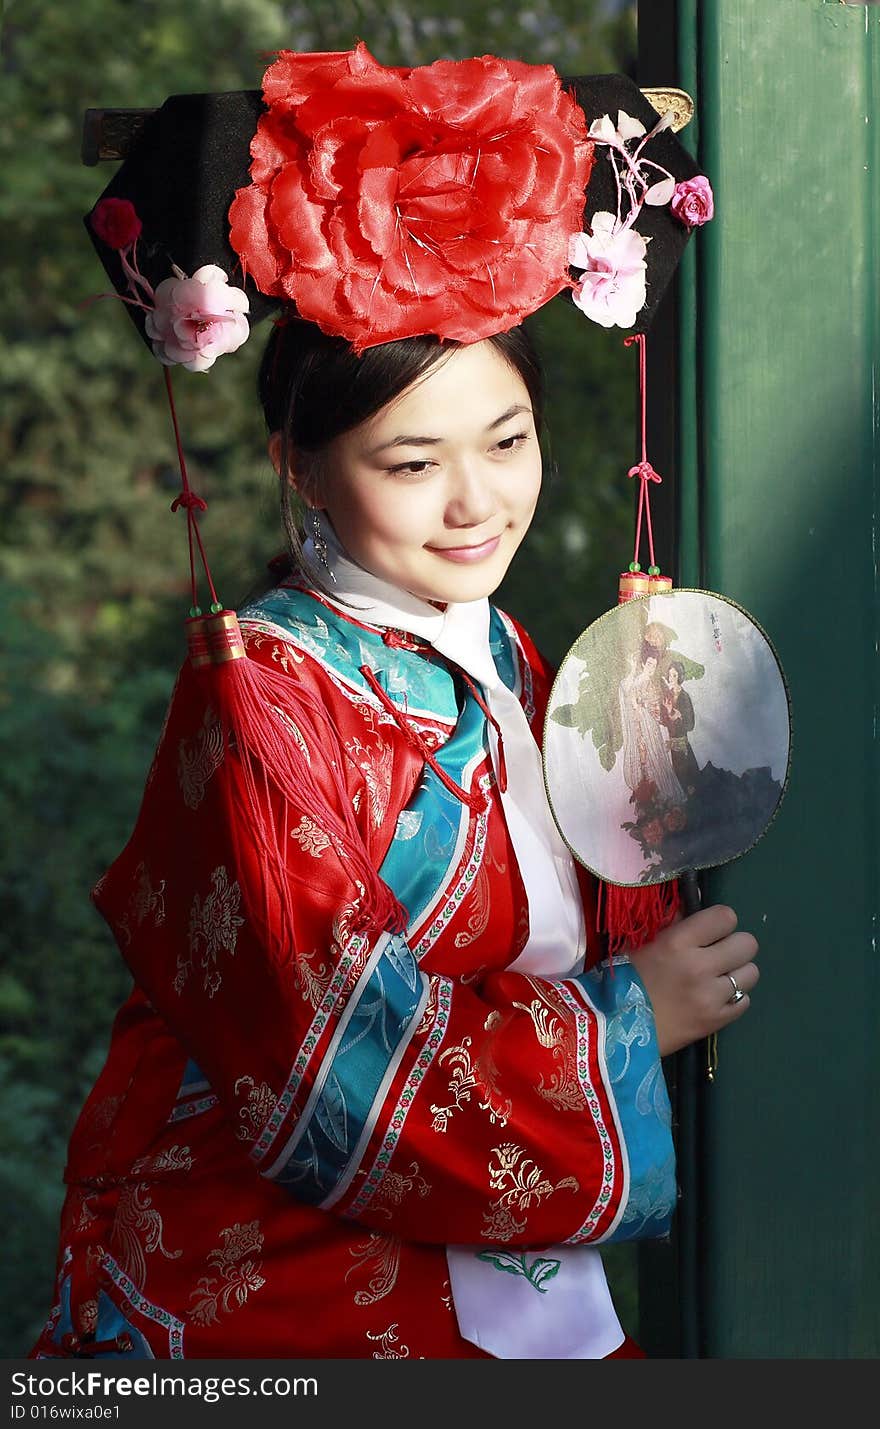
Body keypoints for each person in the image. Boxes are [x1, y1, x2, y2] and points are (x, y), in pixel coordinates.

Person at [30, 46, 758, 1361]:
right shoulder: (263, 704)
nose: (477, 504)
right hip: (278, 1294)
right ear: (297, 465)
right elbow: (331, 1050)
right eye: (412, 462)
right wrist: (635, 1013)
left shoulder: (511, 656)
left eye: (508, 439)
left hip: (509, 1279)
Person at [619, 645, 685, 807]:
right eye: (649, 664)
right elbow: (630, 698)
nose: (651, 668)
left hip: (652, 729)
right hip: (640, 729)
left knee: (658, 764)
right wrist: (640, 706)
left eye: (654, 666)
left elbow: (657, 711)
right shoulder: (637, 681)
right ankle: (652, 802)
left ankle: (664, 803)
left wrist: (665, 711)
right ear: (643, 664)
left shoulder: (653, 684)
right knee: (646, 764)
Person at [657, 660, 701, 795]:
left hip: (682, 744)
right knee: (676, 778)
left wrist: (680, 715)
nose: (672, 678)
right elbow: (663, 720)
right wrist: (669, 713)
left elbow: (690, 725)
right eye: (670, 675)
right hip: (671, 744)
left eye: (675, 675)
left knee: (689, 779)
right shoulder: (666, 695)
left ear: (680, 677)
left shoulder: (684, 697)